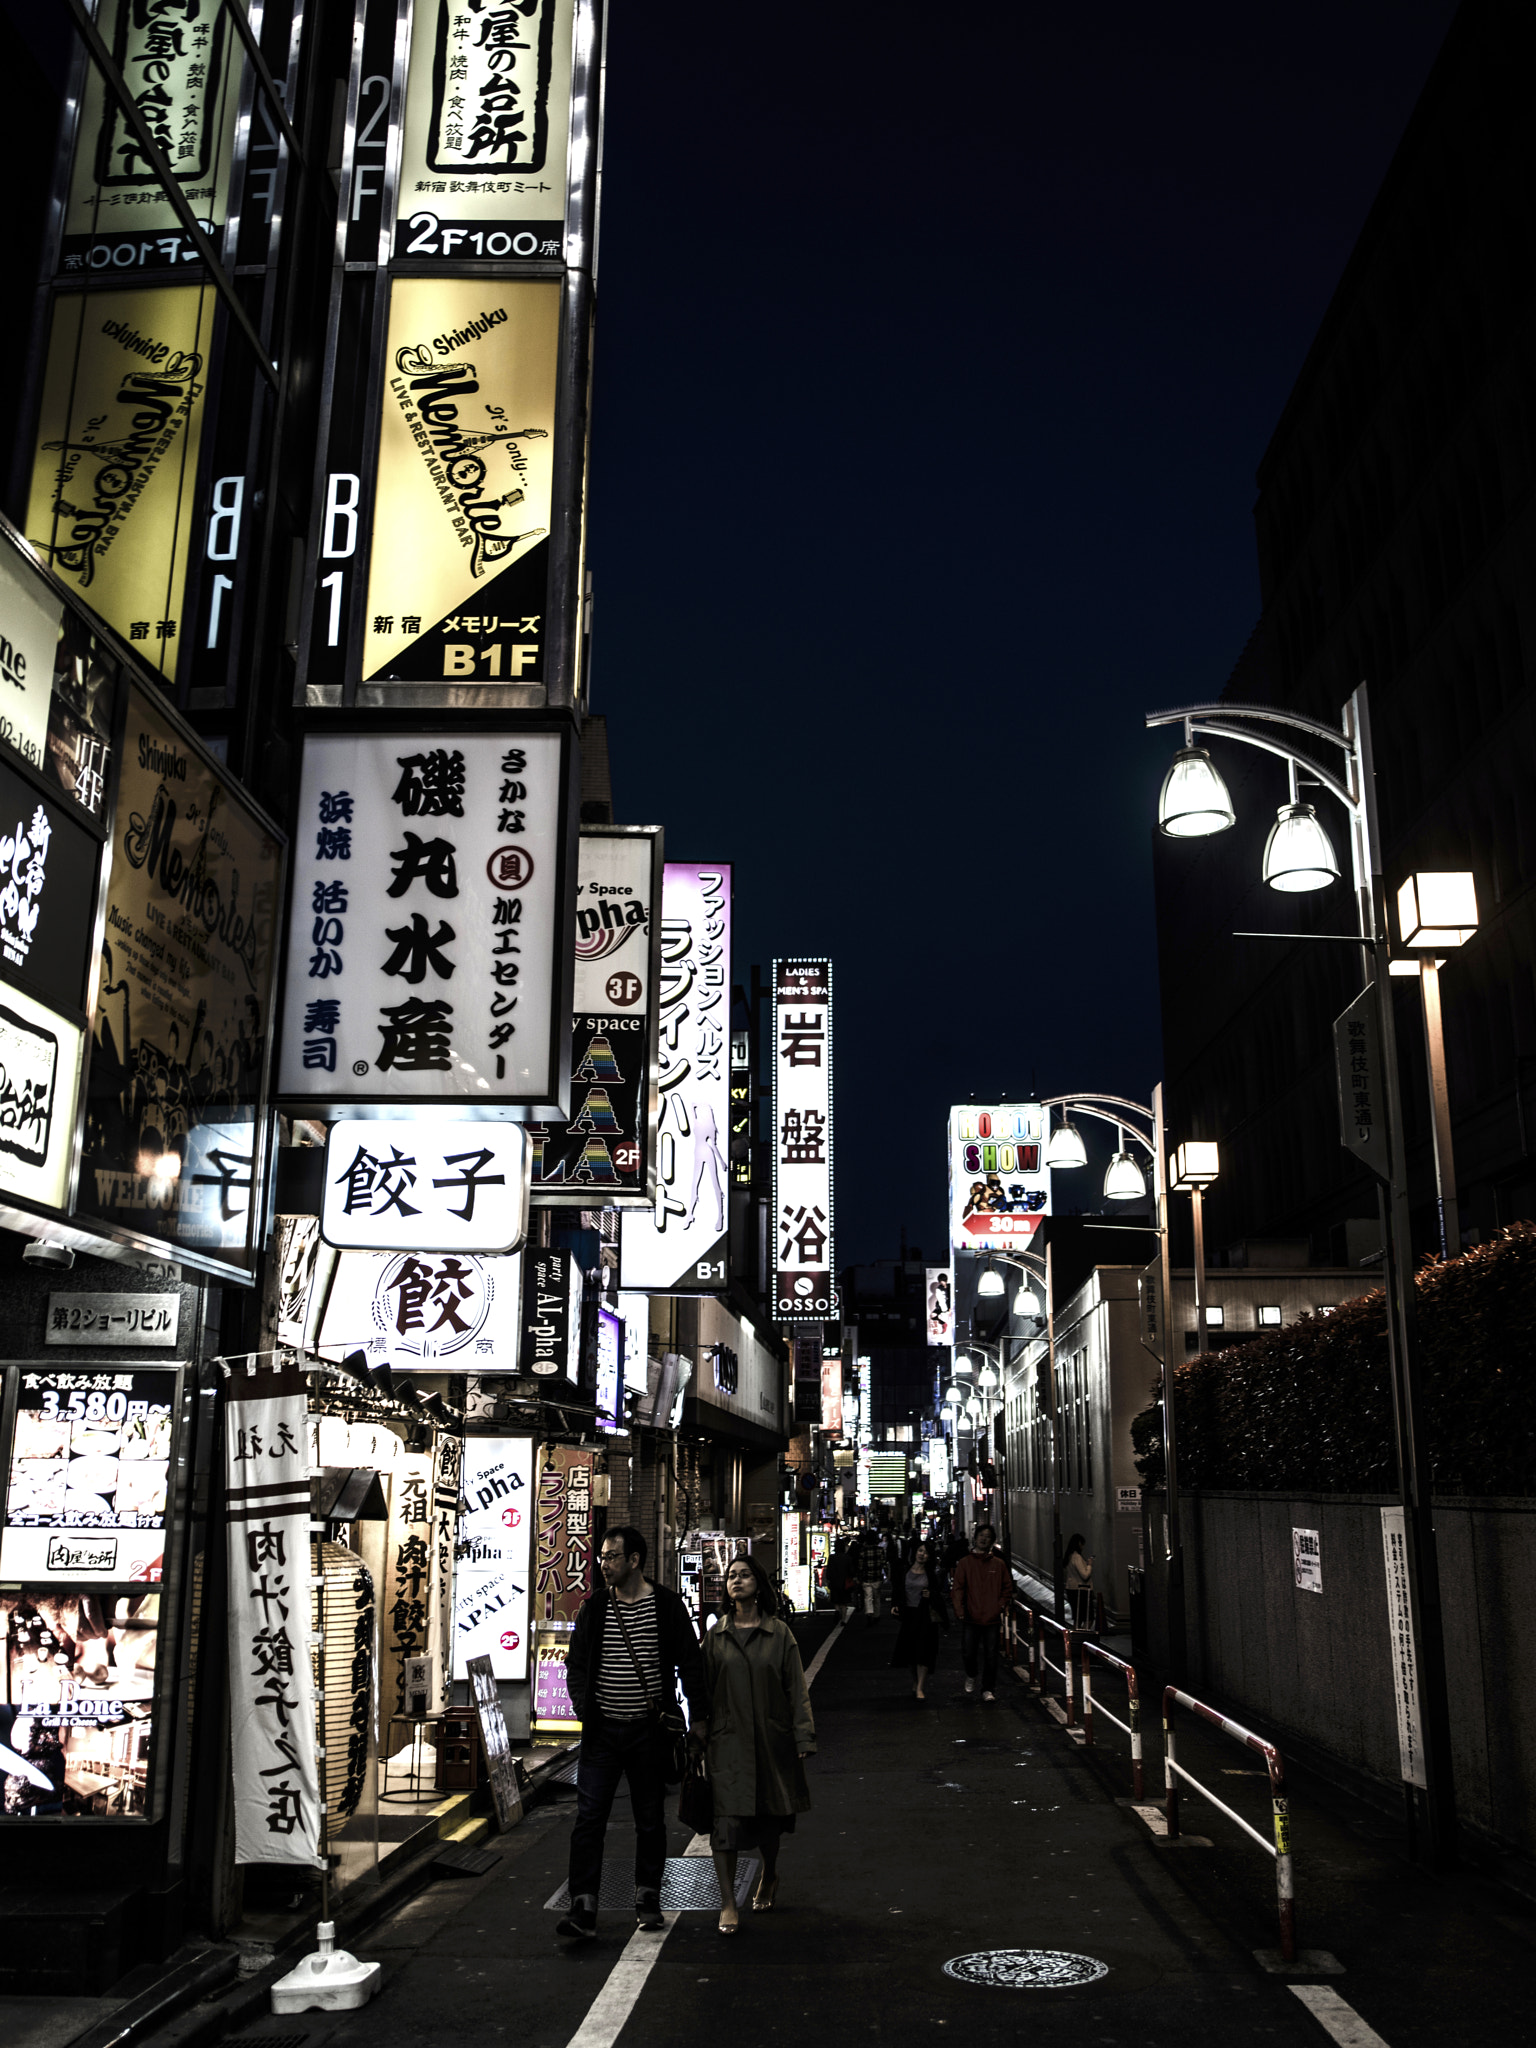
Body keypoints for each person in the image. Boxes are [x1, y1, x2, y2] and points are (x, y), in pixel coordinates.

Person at [557, 1525, 705, 1941]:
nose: (603, 1564)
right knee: (589, 1819)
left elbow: (691, 1665)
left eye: (611, 1557)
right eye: (601, 1557)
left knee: (649, 1820)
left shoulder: (666, 1607)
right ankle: (583, 1906)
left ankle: (648, 1897)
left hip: (648, 1731)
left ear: (634, 1560)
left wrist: (700, 1721)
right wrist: (585, 1708)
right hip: (602, 1732)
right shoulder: (596, 1607)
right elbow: (577, 1664)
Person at [702, 1554, 815, 1934]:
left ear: (759, 1583)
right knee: (725, 1823)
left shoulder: (779, 1633)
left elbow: (795, 1688)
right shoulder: (716, 1636)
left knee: (770, 1820)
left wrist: (803, 1735)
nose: (736, 1580)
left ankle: (769, 1874)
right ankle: (728, 1901)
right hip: (727, 1743)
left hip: (771, 1741)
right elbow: (702, 1693)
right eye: (731, 1576)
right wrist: (697, 1739)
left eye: (745, 1574)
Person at [951, 1521, 1011, 1701]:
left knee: (991, 1655)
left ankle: (988, 1689)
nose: (984, 1539)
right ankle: (971, 1674)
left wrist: (999, 1604)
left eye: (988, 1537)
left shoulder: (998, 1564)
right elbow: (958, 1588)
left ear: (992, 1541)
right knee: (969, 1652)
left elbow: (1007, 1587)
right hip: (971, 1616)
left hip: (991, 1618)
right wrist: (959, 1609)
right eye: (981, 1536)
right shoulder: (965, 1563)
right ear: (975, 1538)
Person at [890, 1540, 949, 1701]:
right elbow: (899, 1589)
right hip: (909, 1615)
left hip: (925, 1617)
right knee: (910, 1654)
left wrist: (931, 1595)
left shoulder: (931, 1574)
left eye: (926, 1552)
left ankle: (921, 1686)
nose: (922, 1554)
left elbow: (938, 1595)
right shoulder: (905, 1570)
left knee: (924, 1652)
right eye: (920, 1551)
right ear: (915, 1552)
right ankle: (916, 1681)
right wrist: (895, 1605)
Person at [1064, 1532, 1095, 1630]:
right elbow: (1085, 1575)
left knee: (1078, 1619)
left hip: (1071, 1589)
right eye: (1082, 1544)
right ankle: (1082, 1639)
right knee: (1088, 1618)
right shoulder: (1076, 1557)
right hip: (1081, 1591)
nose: (1083, 1547)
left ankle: (1074, 1640)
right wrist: (1089, 1565)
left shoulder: (1069, 1556)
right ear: (1078, 1543)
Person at [854, 1524, 885, 1624]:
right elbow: (883, 1563)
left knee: (868, 1597)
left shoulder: (863, 1551)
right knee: (877, 1597)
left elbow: (860, 1565)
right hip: (877, 1577)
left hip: (866, 1577)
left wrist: (859, 1576)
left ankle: (869, 1612)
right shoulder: (880, 1550)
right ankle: (876, 1615)